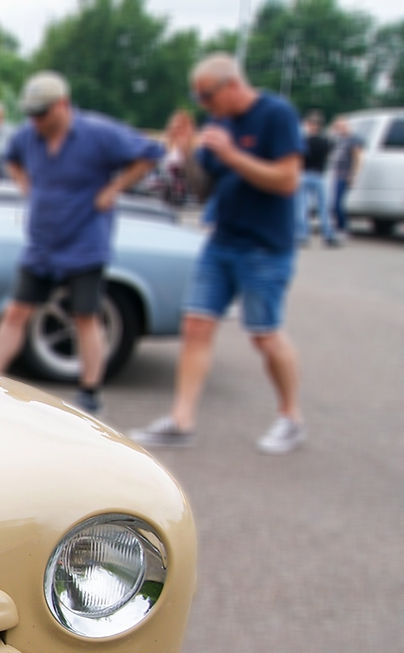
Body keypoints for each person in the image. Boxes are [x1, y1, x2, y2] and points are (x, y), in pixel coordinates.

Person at [131, 54, 305, 455]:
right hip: (221, 240)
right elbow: (202, 188)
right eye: (198, 97)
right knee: (196, 325)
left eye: (207, 95)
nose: (204, 104)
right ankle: (181, 420)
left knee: (264, 335)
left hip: (264, 246)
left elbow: (287, 179)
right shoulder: (219, 124)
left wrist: (232, 156)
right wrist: (186, 151)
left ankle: (291, 417)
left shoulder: (276, 115)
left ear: (231, 85)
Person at [0, 71, 161, 415]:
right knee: (17, 310)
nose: (36, 121)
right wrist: (25, 185)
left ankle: (90, 391)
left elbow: (149, 153)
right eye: (31, 114)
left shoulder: (98, 134)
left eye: (42, 113)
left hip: (84, 240)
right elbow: (12, 158)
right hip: (42, 241)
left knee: (85, 316)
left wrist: (114, 189)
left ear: (62, 105)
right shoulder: (28, 137)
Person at [296, 110, 335, 246]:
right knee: (323, 207)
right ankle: (328, 235)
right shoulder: (326, 141)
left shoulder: (303, 141)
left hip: (304, 173)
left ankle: (302, 236)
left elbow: (298, 158)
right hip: (319, 174)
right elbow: (330, 153)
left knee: (302, 207)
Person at [329, 116, 364, 238]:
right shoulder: (340, 139)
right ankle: (339, 227)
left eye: (342, 126)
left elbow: (358, 158)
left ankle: (342, 228)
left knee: (338, 203)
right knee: (335, 202)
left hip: (345, 175)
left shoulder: (354, 139)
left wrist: (353, 175)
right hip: (337, 174)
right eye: (338, 127)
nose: (340, 129)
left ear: (347, 126)